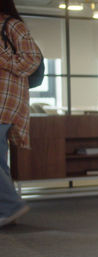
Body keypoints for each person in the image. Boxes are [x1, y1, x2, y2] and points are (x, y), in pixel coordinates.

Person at [0, 0, 42, 227]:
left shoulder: (12, 25)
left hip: (5, 103)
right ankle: (7, 213)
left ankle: (11, 206)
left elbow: (31, 60)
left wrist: (3, 58)